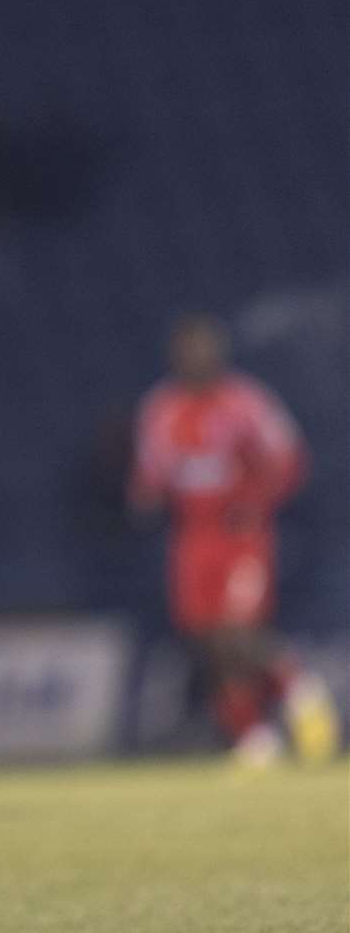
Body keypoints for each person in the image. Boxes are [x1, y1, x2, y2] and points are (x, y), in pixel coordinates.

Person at [130, 314, 336, 766]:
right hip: (193, 538)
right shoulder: (161, 410)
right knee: (206, 639)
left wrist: (256, 501)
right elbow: (153, 473)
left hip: (241, 534)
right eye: (188, 351)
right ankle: (254, 738)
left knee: (239, 631)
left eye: (204, 349)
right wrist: (144, 495)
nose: (196, 359)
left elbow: (288, 459)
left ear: (219, 354)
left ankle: (299, 688)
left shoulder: (246, 403)